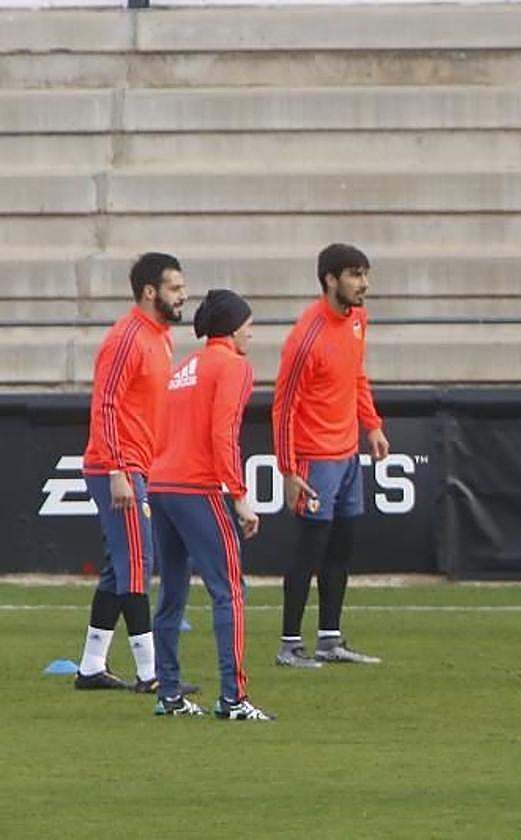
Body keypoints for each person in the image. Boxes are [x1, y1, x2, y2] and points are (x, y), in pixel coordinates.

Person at [149, 289, 273, 720]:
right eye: (248, 323)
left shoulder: (184, 367)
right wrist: (239, 497)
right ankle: (233, 699)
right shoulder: (235, 366)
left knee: (172, 596)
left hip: (161, 484)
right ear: (234, 327)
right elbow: (225, 434)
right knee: (229, 594)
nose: (252, 332)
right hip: (196, 488)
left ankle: (169, 693)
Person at [75, 252, 188, 693]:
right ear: (149, 291)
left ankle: (91, 667)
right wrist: (119, 469)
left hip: (136, 464)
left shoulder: (160, 338)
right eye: (175, 288)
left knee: (119, 568)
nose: (182, 296)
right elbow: (105, 405)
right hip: (116, 466)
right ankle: (151, 675)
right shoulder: (126, 339)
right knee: (139, 563)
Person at [272, 243, 389, 667]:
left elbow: (356, 375)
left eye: (365, 274)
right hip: (314, 459)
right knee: (310, 549)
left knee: (341, 548)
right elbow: (283, 406)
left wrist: (371, 424)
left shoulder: (357, 320)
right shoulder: (306, 337)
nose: (365, 284)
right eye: (356, 275)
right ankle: (289, 644)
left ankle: (329, 639)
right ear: (330, 280)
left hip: (347, 454)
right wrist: (287, 467)